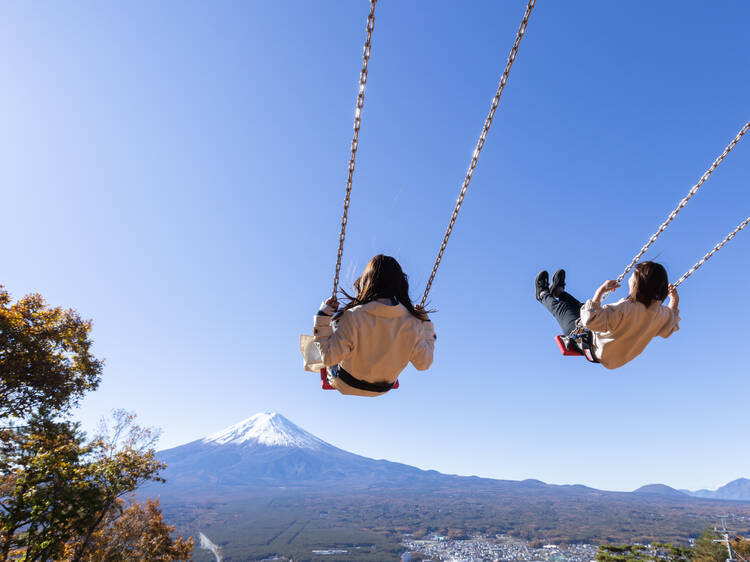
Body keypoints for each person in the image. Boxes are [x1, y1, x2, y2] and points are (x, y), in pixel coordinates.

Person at [300, 254, 436, 396]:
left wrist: (323, 316)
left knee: (319, 341)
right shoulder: (413, 323)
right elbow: (424, 363)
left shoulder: (353, 316)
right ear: (400, 284)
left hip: (345, 383)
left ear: (367, 281)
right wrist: (426, 324)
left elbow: (329, 358)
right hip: (383, 388)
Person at [535, 261, 680, 369]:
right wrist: (674, 300)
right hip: (612, 355)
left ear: (638, 284)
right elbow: (670, 323)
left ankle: (542, 293)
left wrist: (600, 292)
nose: (630, 277)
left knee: (562, 309)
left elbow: (590, 321)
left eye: (633, 275)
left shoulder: (625, 308)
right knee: (581, 307)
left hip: (588, 343)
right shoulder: (659, 314)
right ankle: (559, 292)